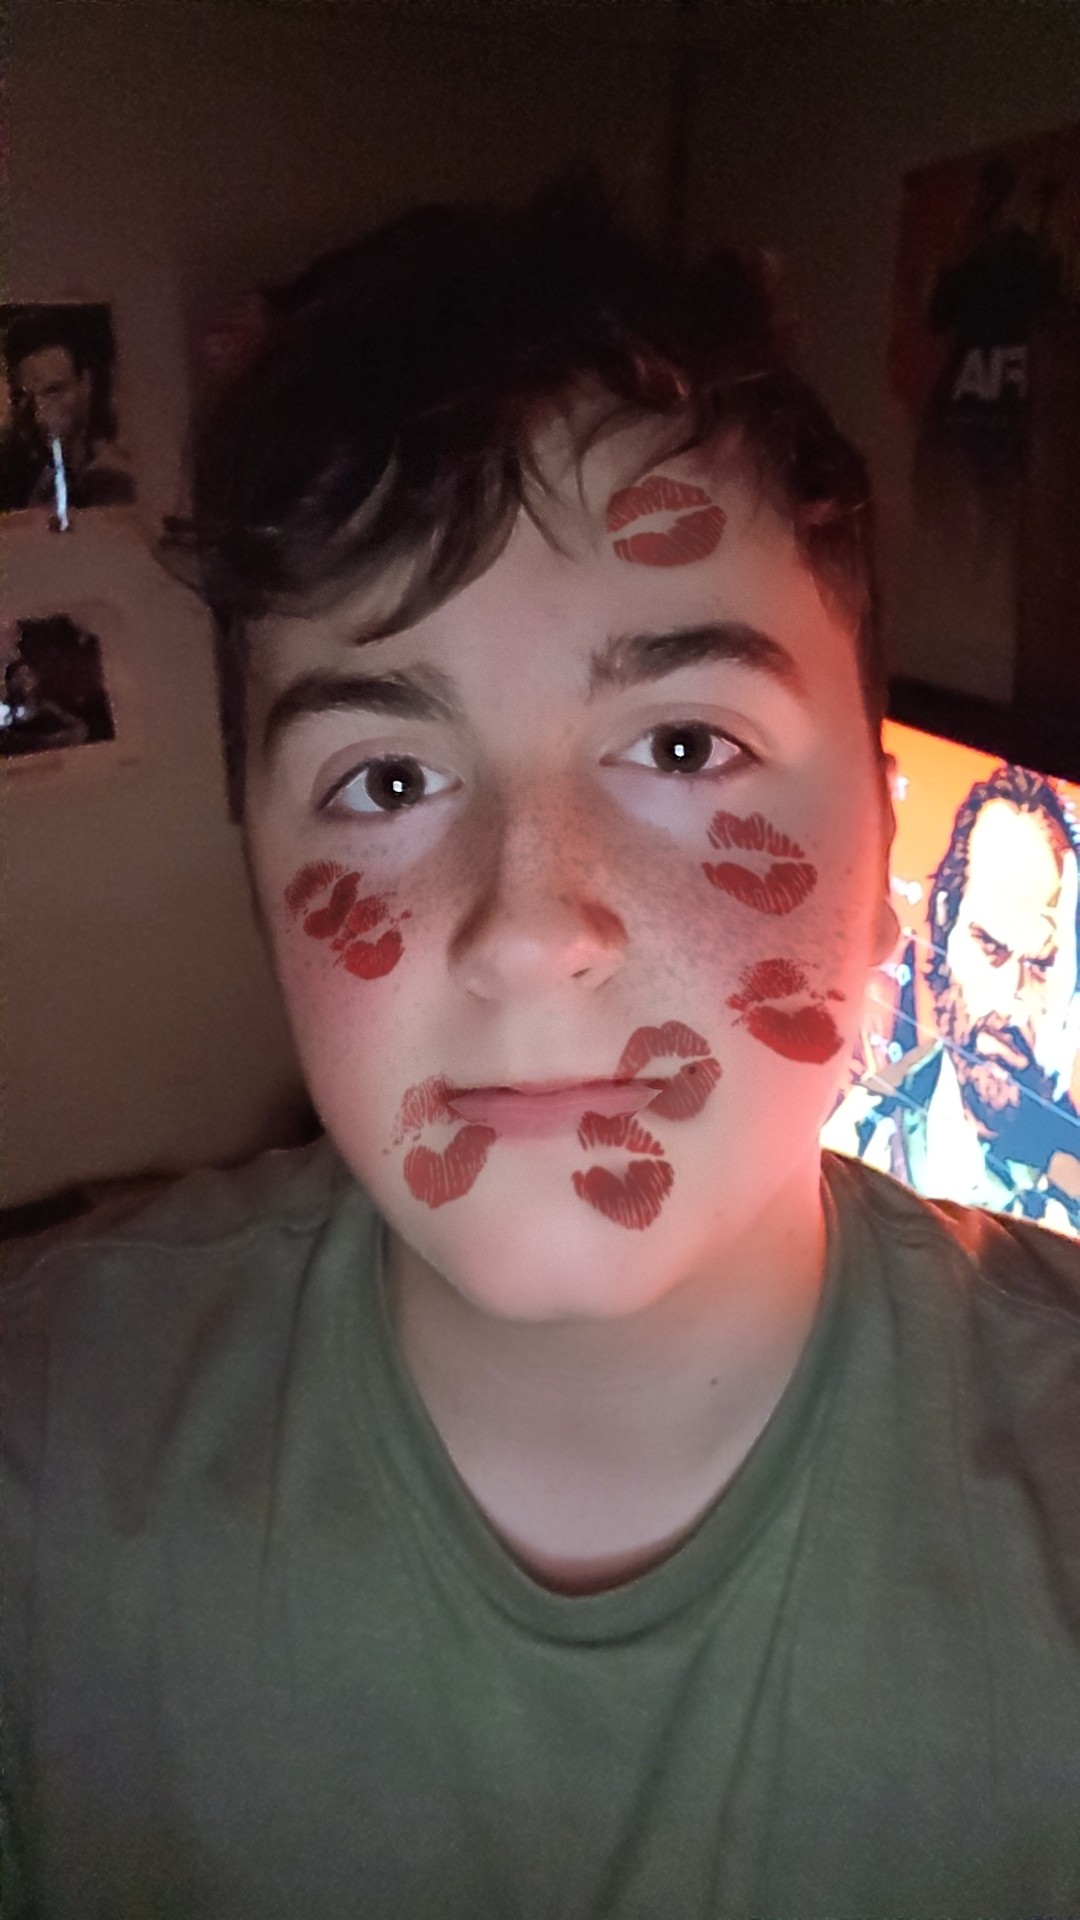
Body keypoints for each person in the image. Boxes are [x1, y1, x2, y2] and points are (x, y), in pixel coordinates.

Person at [2, 182, 1079, 1920]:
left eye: (683, 745)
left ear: (888, 864)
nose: (526, 926)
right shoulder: (44, 1436)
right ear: (264, 890)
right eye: (386, 780)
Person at [824, 762, 1080, 1232]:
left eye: (1041, 965)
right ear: (945, 922)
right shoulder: (855, 1134)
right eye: (990, 946)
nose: (1008, 1001)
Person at [1, 311, 135, 511]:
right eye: (23, 397)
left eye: (53, 391)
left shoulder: (114, 478)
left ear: (86, 384)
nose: (38, 415)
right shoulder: (41, 477)